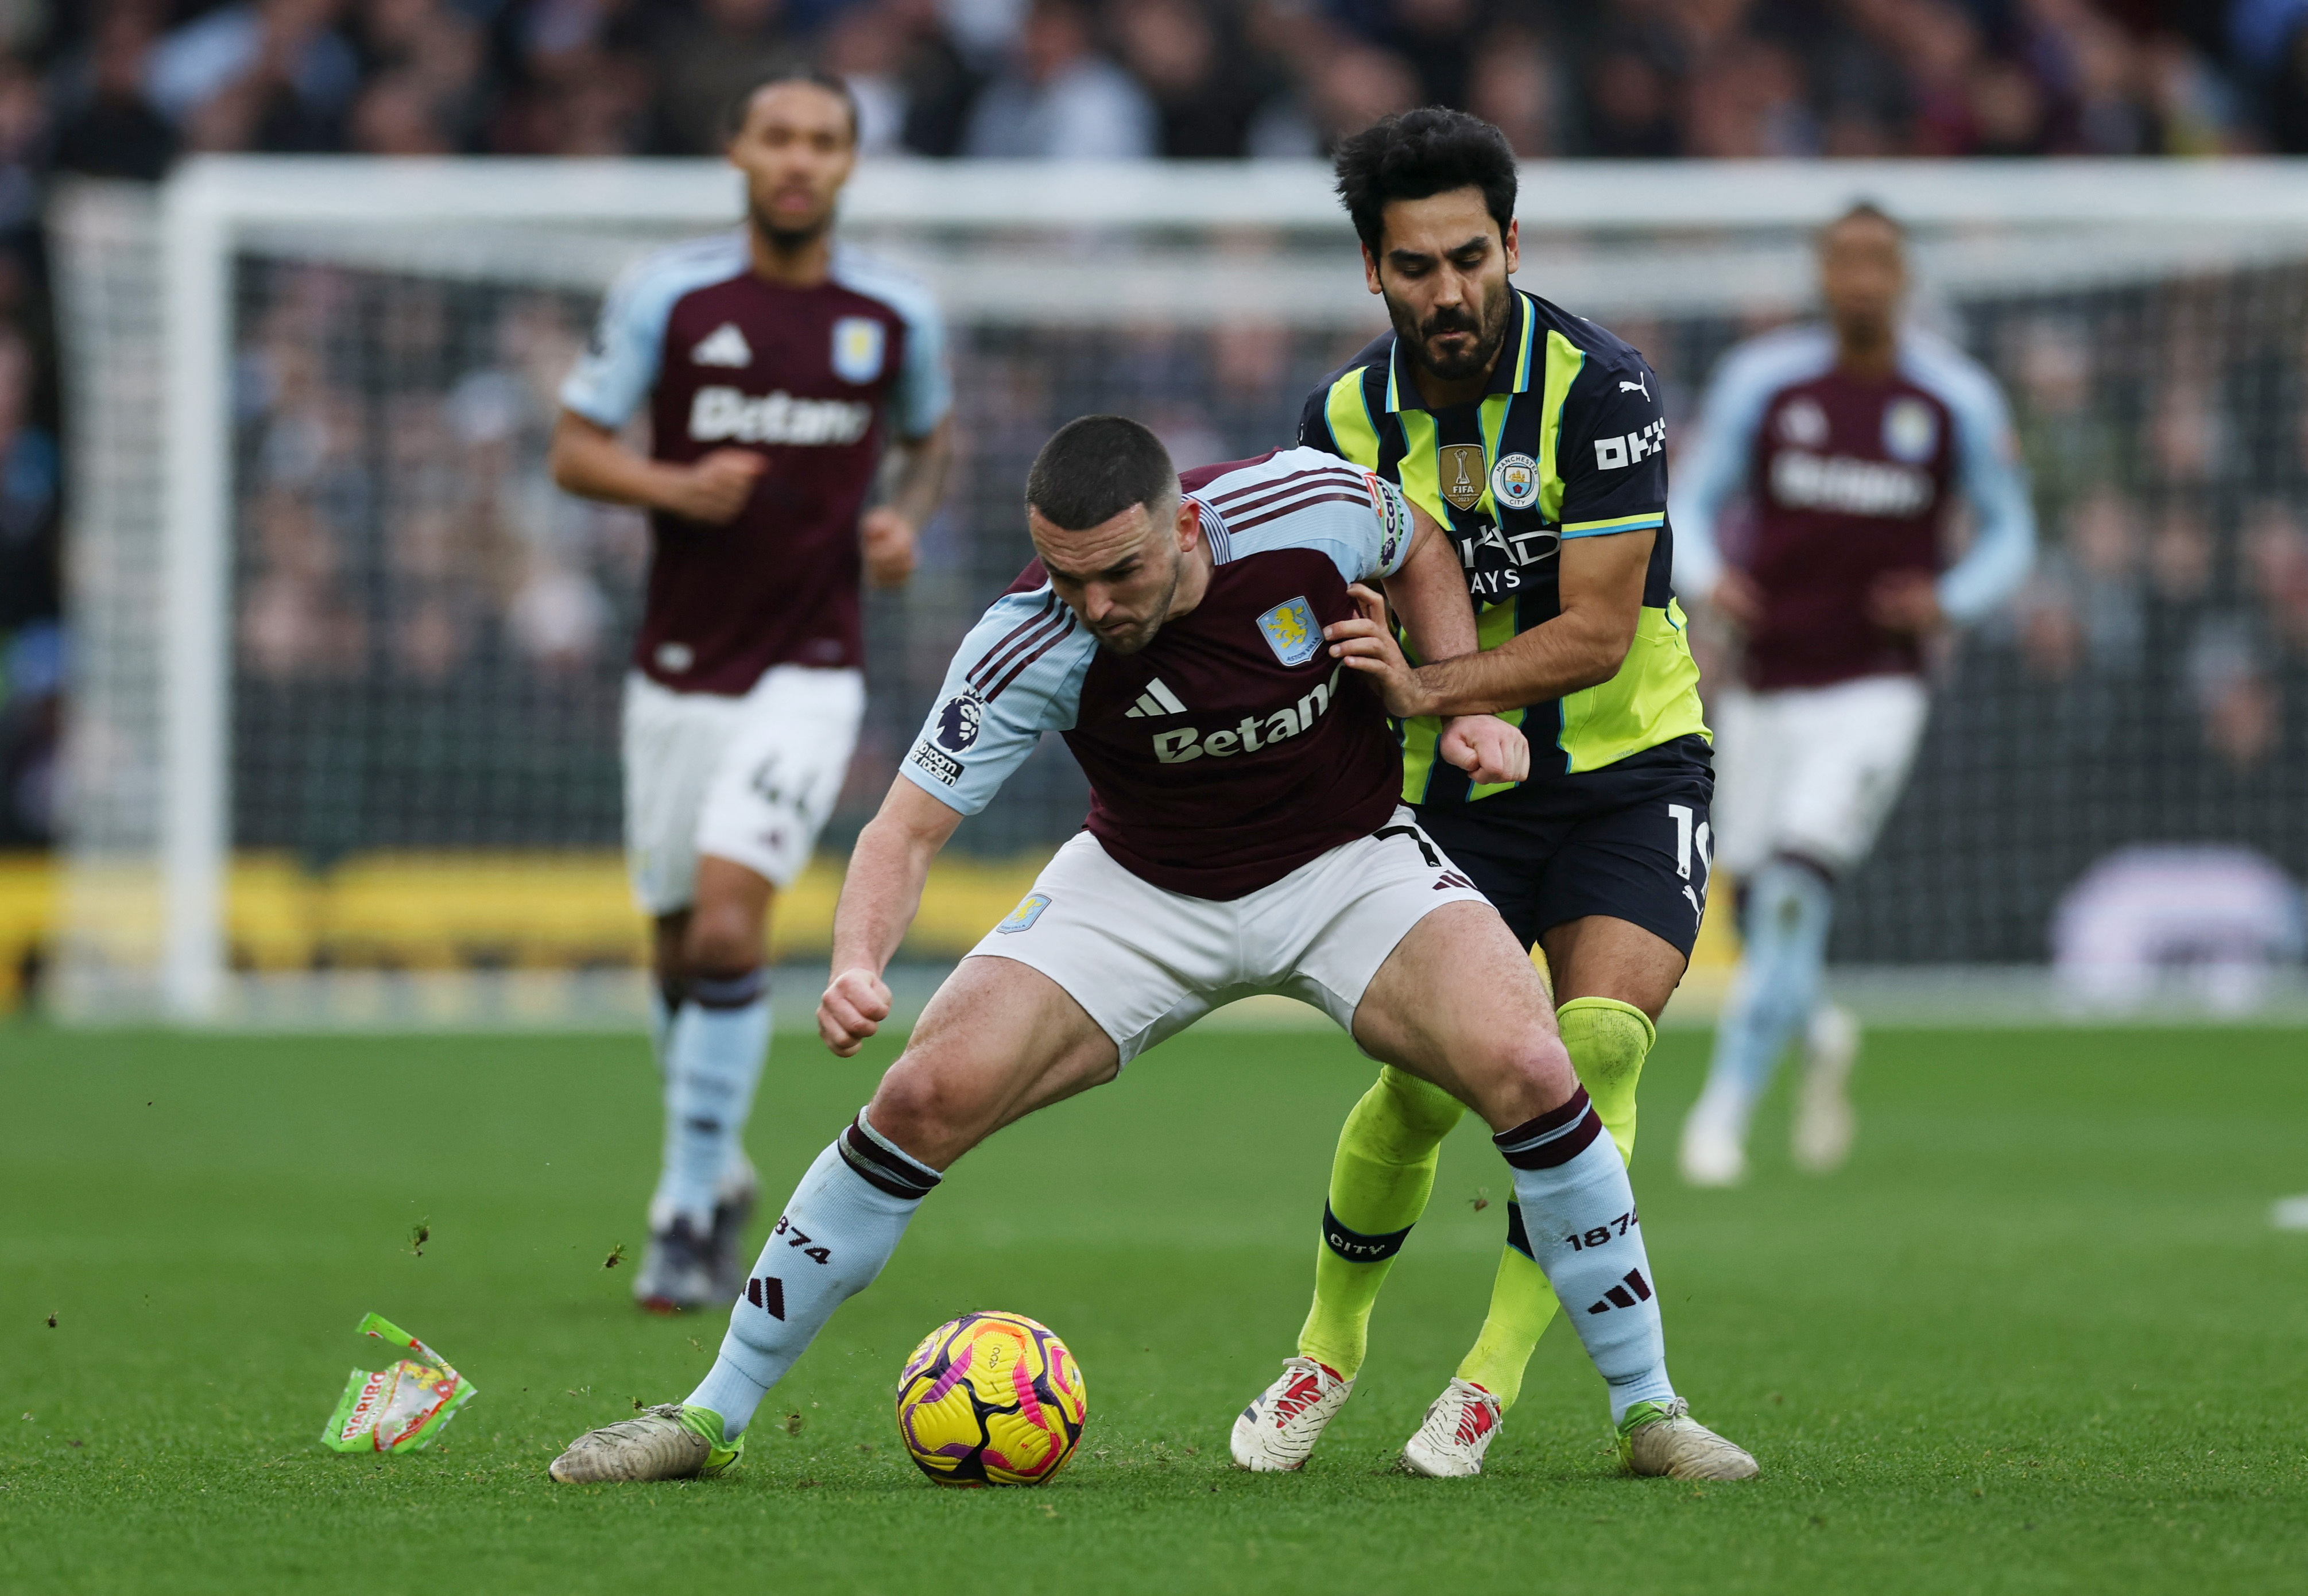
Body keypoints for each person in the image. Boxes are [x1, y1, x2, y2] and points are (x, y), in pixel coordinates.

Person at [544, 415, 1752, 1485]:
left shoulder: (1303, 505)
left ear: (1182, 523)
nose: (1099, 605)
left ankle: (1651, 1408)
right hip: (1143, 889)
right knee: (922, 1090)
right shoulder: (1031, 639)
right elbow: (903, 830)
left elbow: (1421, 540)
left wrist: (1457, 696)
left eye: (1121, 571)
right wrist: (858, 960)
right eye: (1072, 579)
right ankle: (710, 1414)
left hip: (1347, 864)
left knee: (1538, 1070)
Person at [1240, 107, 1731, 1481]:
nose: (1448, 291)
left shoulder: (1602, 390)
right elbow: (1327, 613)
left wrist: (1433, 688)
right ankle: (1329, 1346)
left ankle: (1488, 1377)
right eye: (1415, 267)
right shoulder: (1338, 417)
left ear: (1512, 242)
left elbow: (1598, 633)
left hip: (1628, 764)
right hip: (1443, 786)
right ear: (1372, 273)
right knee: (1420, 1089)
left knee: (1598, 1045)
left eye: (1471, 256)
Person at [550, 68, 954, 1311]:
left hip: (811, 668)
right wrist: (673, 488)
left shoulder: (892, 314)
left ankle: (682, 1215)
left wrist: (901, 523)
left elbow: (929, 442)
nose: (797, 160)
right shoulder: (670, 296)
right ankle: (718, 1170)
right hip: (676, 672)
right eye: (776, 136)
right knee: (679, 949)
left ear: (848, 163)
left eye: (822, 141)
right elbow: (574, 449)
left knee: (731, 928)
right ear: (737, 150)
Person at [1671, 202, 2034, 1187]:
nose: (1863, 279)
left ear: (1904, 277)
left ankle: (1723, 1116)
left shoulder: (1953, 398)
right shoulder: (1766, 384)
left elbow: (2012, 532)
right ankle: (1817, 1025)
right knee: (1754, 892)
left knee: (1794, 884)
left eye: (1880, 261)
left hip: (1876, 687)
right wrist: (1707, 579)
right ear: (1822, 276)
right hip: (1765, 677)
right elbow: (1692, 505)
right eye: (1846, 261)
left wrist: (1951, 598)